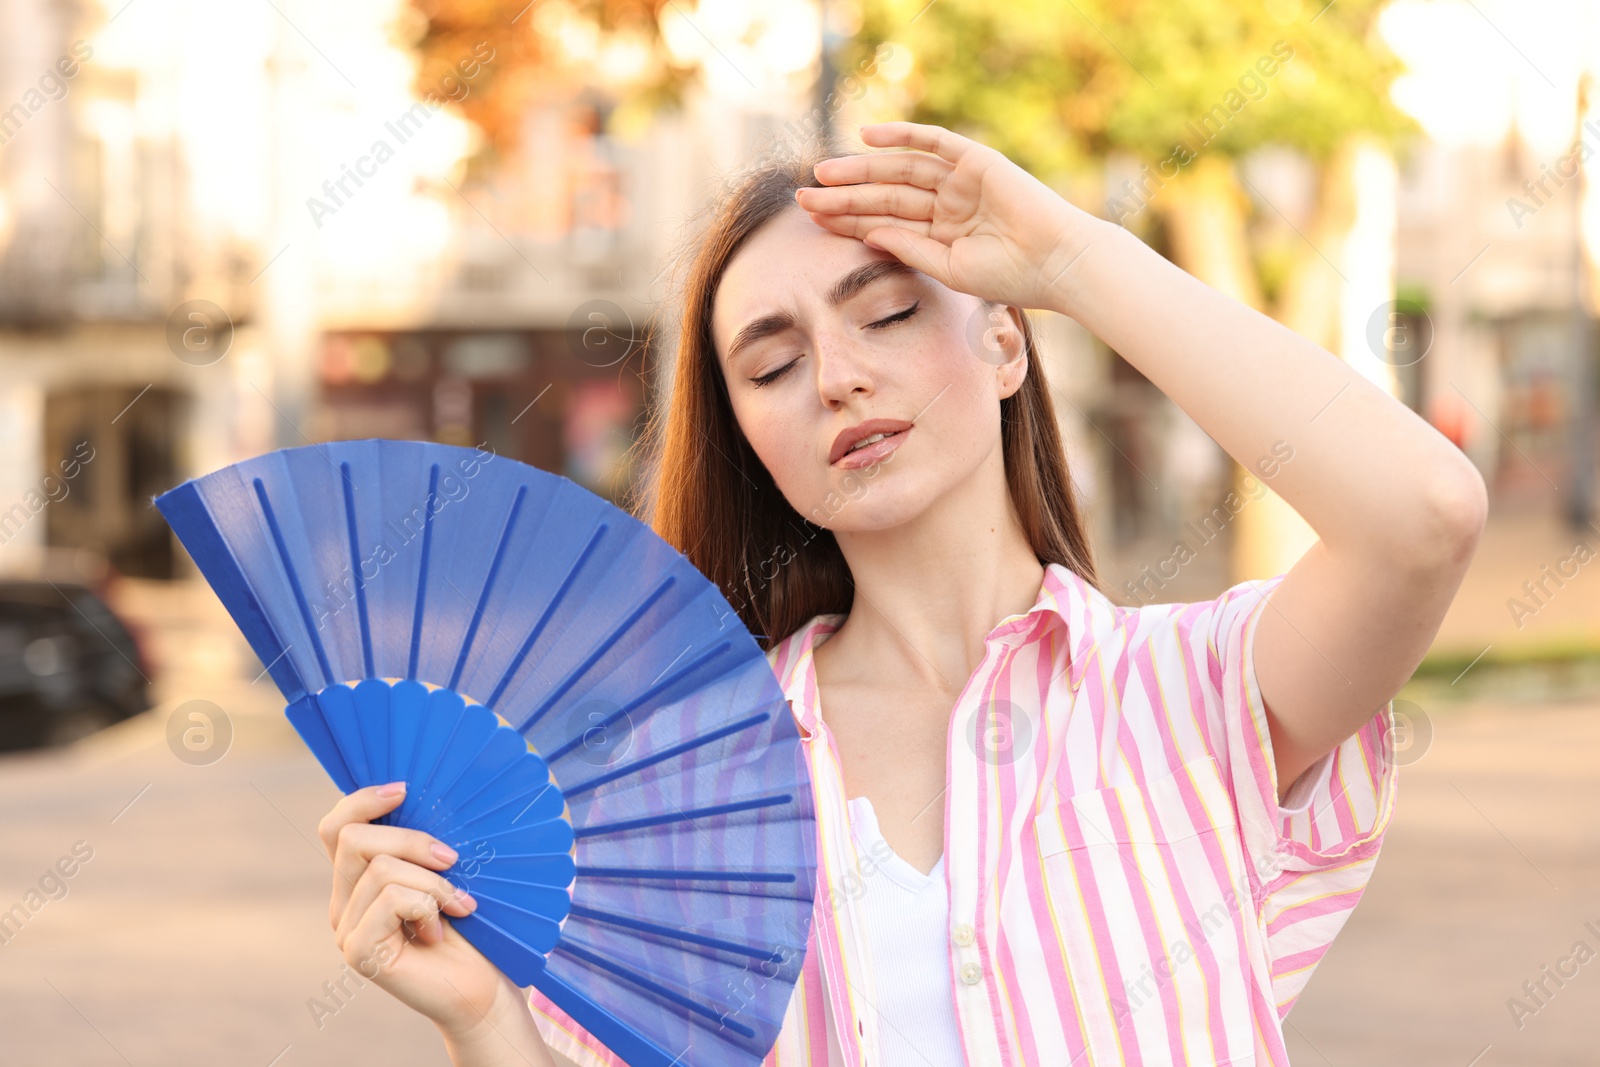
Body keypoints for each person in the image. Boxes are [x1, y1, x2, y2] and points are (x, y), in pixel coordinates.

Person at [317, 121, 1487, 1065]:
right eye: (772, 364)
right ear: (750, 441)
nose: (838, 374)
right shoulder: (684, 778)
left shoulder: (1192, 689)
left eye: (887, 311)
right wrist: (482, 1020)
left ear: (1006, 348)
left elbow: (1421, 514)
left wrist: (1072, 257)